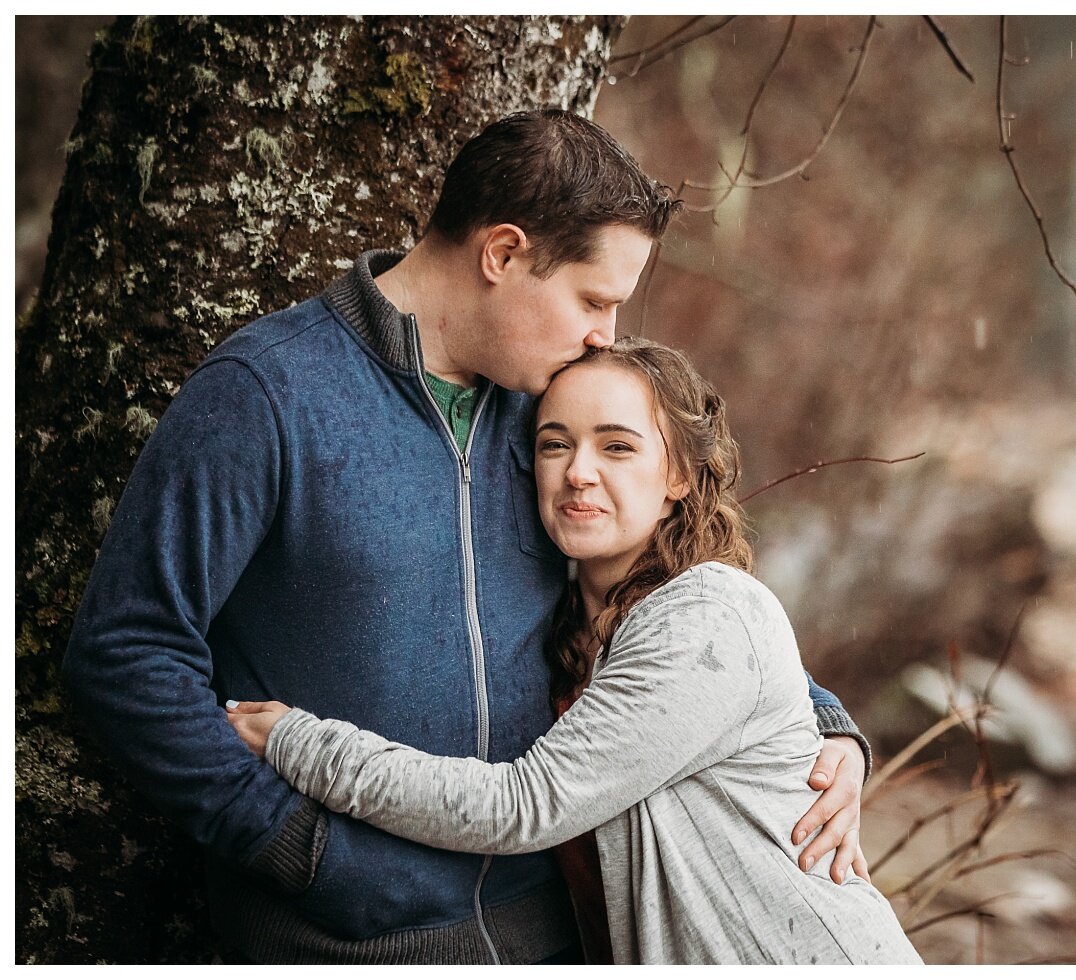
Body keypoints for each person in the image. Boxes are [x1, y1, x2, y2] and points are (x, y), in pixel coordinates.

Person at [60, 109, 869, 964]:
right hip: (342, 933)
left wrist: (823, 723)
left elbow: (660, 593)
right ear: (503, 254)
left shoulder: (551, 416)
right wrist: (292, 846)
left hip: (543, 931)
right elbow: (125, 653)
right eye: (593, 299)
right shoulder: (265, 397)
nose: (603, 333)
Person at [224, 339, 922, 964]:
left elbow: (525, 805)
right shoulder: (565, 626)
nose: (579, 472)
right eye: (556, 444)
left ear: (677, 474)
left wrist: (298, 742)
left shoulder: (707, 611)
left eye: (617, 447)